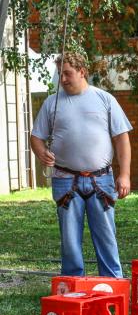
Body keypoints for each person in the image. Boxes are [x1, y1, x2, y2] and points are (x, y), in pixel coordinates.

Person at [31, 52, 132, 278]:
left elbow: (122, 139)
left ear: (82, 72)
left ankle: (112, 282)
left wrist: (124, 175)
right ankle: (72, 284)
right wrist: (41, 152)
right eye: (60, 74)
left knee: (106, 235)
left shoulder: (104, 99)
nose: (63, 79)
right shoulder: (51, 102)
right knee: (69, 239)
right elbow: (36, 137)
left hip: (101, 179)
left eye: (67, 73)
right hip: (65, 179)